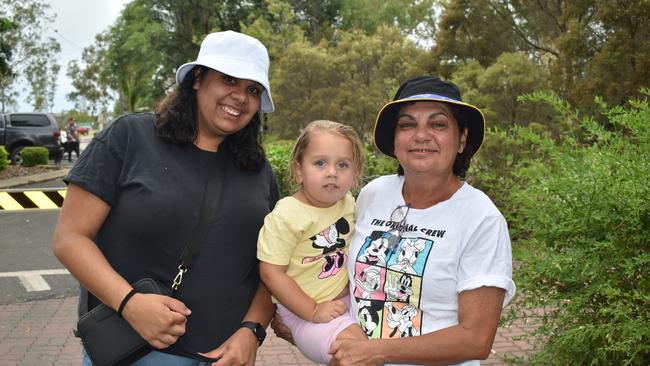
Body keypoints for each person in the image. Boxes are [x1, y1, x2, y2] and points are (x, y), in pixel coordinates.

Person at [53, 30, 279, 366]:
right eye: (228, 79)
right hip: (134, 353)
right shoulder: (130, 137)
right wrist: (130, 303)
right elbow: (70, 238)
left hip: (223, 357)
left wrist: (252, 330)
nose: (240, 97)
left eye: (253, 89)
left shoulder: (258, 170)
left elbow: (273, 267)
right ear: (198, 79)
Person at [273, 76, 516, 366]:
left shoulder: (481, 218)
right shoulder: (373, 194)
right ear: (395, 139)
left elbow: (476, 340)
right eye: (407, 124)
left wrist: (375, 352)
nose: (421, 135)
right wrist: (305, 323)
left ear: (461, 139)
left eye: (438, 124)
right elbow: (313, 258)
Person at [257, 120, 368, 364]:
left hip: (348, 302)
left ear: (355, 172)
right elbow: (271, 273)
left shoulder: (348, 203)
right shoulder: (287, 215)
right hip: (303, 312)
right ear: (298, 171)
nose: (332, 172)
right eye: (320, 163)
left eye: (343, 164)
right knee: (360, 353)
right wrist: (312, 310)